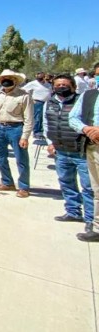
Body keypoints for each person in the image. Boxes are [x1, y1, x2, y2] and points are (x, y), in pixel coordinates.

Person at [43, 74, 93, 230]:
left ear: (73, 87)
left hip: (82, 152)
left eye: (64, 85)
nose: (61, 87)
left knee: (89, 187)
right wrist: (50, 143)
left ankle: (91, 219)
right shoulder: (49, 103)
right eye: (57, 85)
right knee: (66, 183)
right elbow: (46, 124)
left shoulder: (83, 102)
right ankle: (73, 211)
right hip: (61, 151)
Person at [0, 69, 34, 198]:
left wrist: (25, 136)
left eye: (9, 78)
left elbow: (29, 118)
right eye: (3, 78)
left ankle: (23, 187)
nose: (6, 80)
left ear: (15, 80)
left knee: (21, 159)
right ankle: (7, 182)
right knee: (0, 158)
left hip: (16, 129)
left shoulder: (24, 96)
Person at [69, 62, 99, 242]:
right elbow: (73, 117)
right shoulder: (89, 95)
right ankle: (97, 226)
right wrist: (86, 129)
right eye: (97, 74)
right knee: (97, 189)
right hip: (93, 146)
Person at [23, 72, 52, 139]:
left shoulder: (48, 84)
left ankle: (43, 131)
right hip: (38, 102)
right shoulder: (33, 83)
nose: (40, 80)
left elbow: (50, 92)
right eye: (39, 78)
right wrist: (30, 98)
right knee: (37, 118)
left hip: (47, 103)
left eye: (41, 78)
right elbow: (24, 90)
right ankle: (36, 132)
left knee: (45, 117)